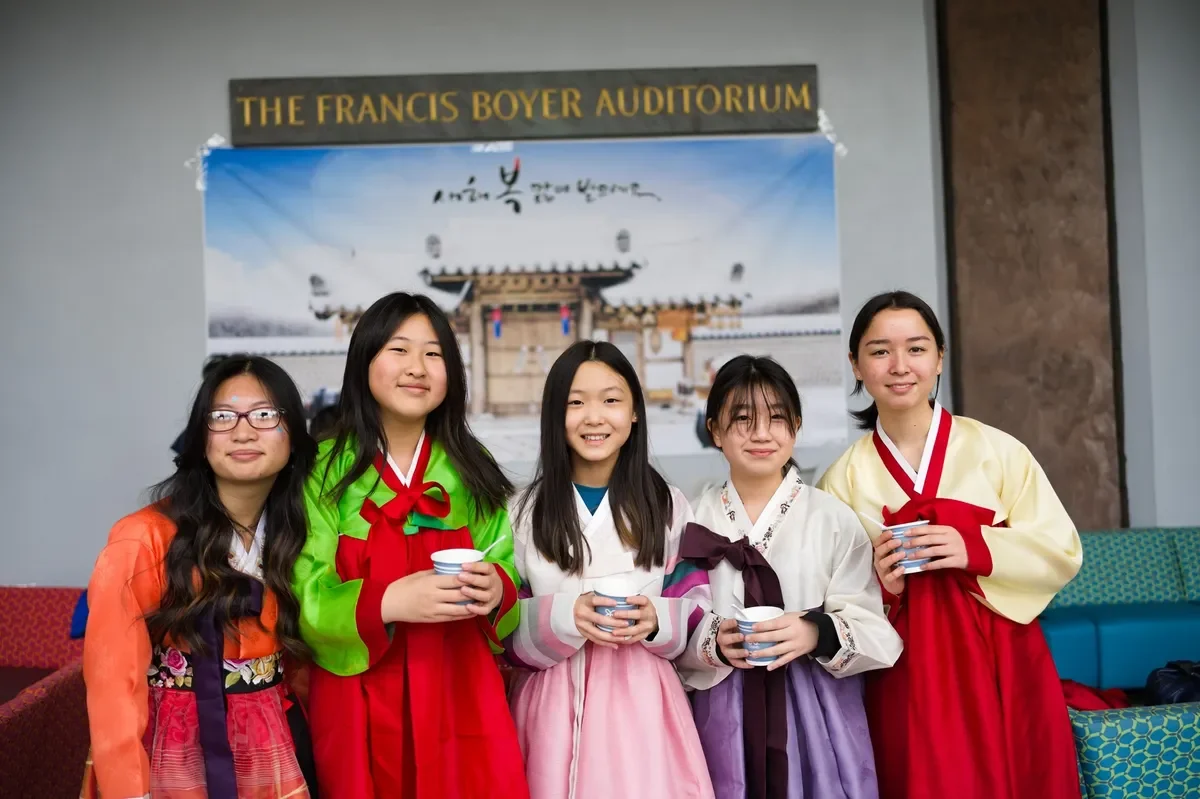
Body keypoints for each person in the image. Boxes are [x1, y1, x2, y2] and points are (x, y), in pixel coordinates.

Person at [816, 290, 1083, 799]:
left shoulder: (998, 451)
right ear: (856, 365)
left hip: (1002, 656)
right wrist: (883, 586)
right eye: (879, 351)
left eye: (916, 349)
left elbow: (1061, 549)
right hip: (906, 672)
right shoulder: (841, 479)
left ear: (939, 358)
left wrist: (976, 548)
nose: (899, 366)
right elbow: (833, 597)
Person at [294, 292, 529, 799]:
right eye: (398, 350)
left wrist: (497, 591)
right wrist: (387, 602)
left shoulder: (471, 468)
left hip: (458, 688)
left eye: (434, 353)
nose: (417, 368)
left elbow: (504, 568)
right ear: (364, 362)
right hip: (356, 697)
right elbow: (305, 592)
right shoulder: (323, 471)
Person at [83, 355, 317, 798]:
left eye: (265, 415)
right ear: (200, 436)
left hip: (270, 743)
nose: (243, 431)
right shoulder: (143, 537)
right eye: (223, 416)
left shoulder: (301, 535)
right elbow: (114, 684)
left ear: (293, 437)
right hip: (173, 749)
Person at [677, 355, 902, 799]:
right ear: (714, 430)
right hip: (721, 711)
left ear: (795, 426)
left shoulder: (833, 519)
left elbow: (873, 627)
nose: (761, 433)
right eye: (742, 419)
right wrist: (711, 641)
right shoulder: (689, 519)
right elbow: (672, 615)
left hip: (817, 710)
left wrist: (813, 632)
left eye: (777, 418)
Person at [504, 341, 714, 799]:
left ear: (635, 412)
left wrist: (657, 618)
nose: (594, 417)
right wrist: (563, 616)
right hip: (551, 707)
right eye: (575, 402)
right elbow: (501, 628)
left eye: (611, 400)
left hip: (644, 704)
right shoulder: (522, 512)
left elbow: (697, 610)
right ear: (554, 416)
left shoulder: (668, 506)